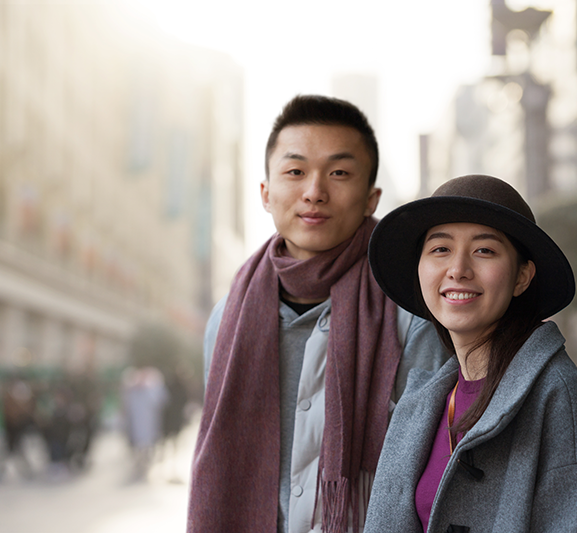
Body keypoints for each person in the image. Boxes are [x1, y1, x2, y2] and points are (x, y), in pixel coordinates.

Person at [188, 95, 447, 533]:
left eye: (339, 173)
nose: (314, 191)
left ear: (371, 198)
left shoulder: (411, 312)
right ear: (266, 194)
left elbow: (434, 470)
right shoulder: (226, 318)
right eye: (295, 171)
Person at [364, 174, 577, 532]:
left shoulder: (557, 392)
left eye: (484, 250)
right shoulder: (421, 402)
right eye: (440, 249)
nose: (458, 270)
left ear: (521, 277)